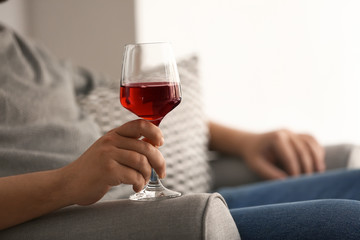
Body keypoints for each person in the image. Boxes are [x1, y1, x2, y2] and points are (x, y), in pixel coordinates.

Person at [0, 16, 360, 239]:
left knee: (354, 183)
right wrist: (69, 182)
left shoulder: (25, 51)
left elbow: (126, 95)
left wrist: (246, 142)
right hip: (113, 222)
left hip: (155, 203)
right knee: (347, 222)